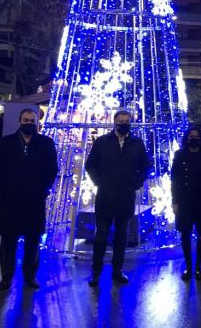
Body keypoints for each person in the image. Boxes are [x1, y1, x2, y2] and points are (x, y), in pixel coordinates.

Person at [0, 108, 58, 291]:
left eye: (32, 120)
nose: (29, 123)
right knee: (8, 241)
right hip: (10, 200)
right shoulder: (6, 143)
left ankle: (30, 276)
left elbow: (52, 169)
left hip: (34, 199)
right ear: (20, 121)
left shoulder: (46, 143)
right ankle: (6, 277)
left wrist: (45, 189)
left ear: (37, 122)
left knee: (33, 240)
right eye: (26, 120)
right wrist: (2, 190)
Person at [86, 109, 150, 287]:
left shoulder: (137, 143)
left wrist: (136, 182)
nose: (123, 123)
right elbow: (90, 164)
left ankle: (117, 270)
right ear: (114, 122)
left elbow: (145, 166)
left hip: (126, 198)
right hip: (105, 197)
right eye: (120, 121)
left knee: (121, 238)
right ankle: (96, 272)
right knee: (101, 237)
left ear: (130, 122)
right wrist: (99, 181)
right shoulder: (102, 142)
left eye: (126, 121)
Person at [171, 126, 201, 281]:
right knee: (184, 233)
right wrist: (175, 201)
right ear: (187, 138)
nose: (194, 138)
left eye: (197, 136)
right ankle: (188, 266)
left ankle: (198, 267)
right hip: (185, 201)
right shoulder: (179, 155)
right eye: (191, 136)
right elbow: (174, 180)